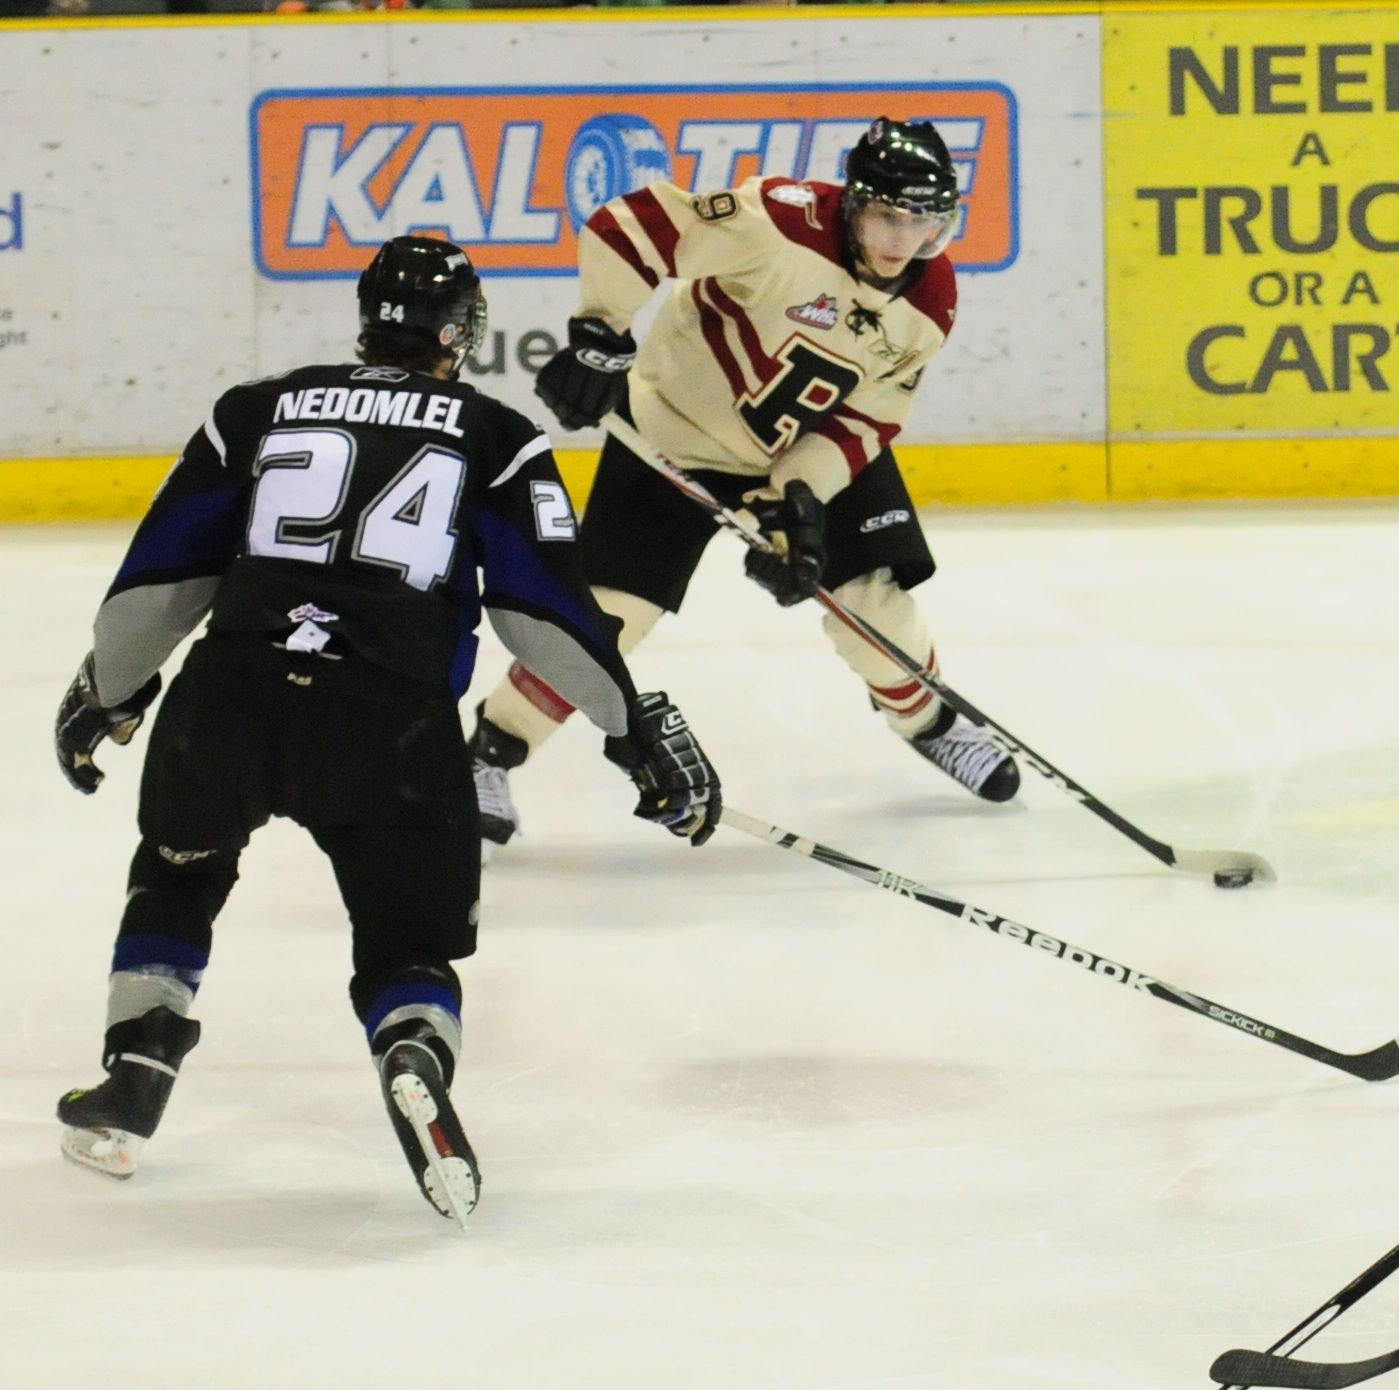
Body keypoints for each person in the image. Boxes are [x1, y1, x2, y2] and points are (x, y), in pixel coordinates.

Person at [51, 236, 719, 1225]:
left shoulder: (256, 409)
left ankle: (137, 1068)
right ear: (462, 335)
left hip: (229, 702)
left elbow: (162, 578)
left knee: (179, 870)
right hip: (392, 726)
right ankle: (410, 1044)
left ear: (368, 318)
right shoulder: (496, 436)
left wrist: (108, 689)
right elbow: (543, 614)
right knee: (407, 945)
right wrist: (629, 728)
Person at [466, 116, 1017, 848]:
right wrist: (601, 336)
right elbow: (633, 224)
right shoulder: (778, 222)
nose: (900, 240)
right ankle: (487, 753)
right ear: (856, 202)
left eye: (924, 221)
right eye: (888, 215)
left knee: (871, 601)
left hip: (806, 447)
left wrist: (796, 497)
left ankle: (932, 721)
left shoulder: (930, 298)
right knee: (607, 620)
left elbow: (868, 418)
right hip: (670, 438)